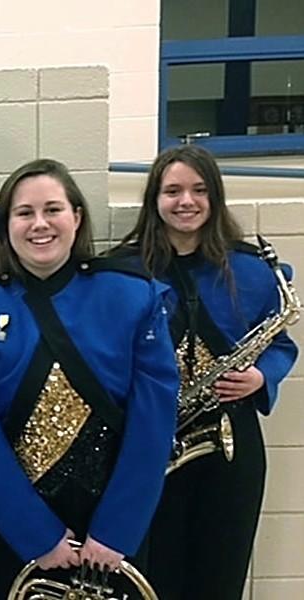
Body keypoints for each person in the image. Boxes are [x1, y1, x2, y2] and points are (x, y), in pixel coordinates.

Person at [0, 158, 179, 598]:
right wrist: (34, 533)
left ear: (77, 217)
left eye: (53, 209)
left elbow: (154, 420)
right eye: (24, 213)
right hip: (19, 523)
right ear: (5, 225)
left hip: (114, 519)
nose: (39, 224)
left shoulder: (132, 293)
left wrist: (118, 529)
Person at [110, 145, 298, 600]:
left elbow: (280, 345)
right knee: (154, 572)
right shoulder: (124, 269)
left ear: (214, 197)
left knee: (222, 572)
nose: (185, 201)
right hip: (151, 442)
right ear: (154, 199)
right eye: (172, 190)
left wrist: (261, 378)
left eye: (198, 190)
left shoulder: (251, 269)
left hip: (231, 443)